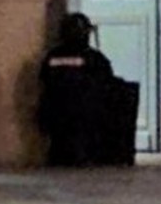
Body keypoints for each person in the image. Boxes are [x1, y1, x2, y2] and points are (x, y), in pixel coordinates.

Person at [37, 13, 114, 167]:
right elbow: (107, 84)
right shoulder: (94, 58)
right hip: (85, 115)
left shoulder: (52, 56)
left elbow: (44, 80)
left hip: (56, 114)